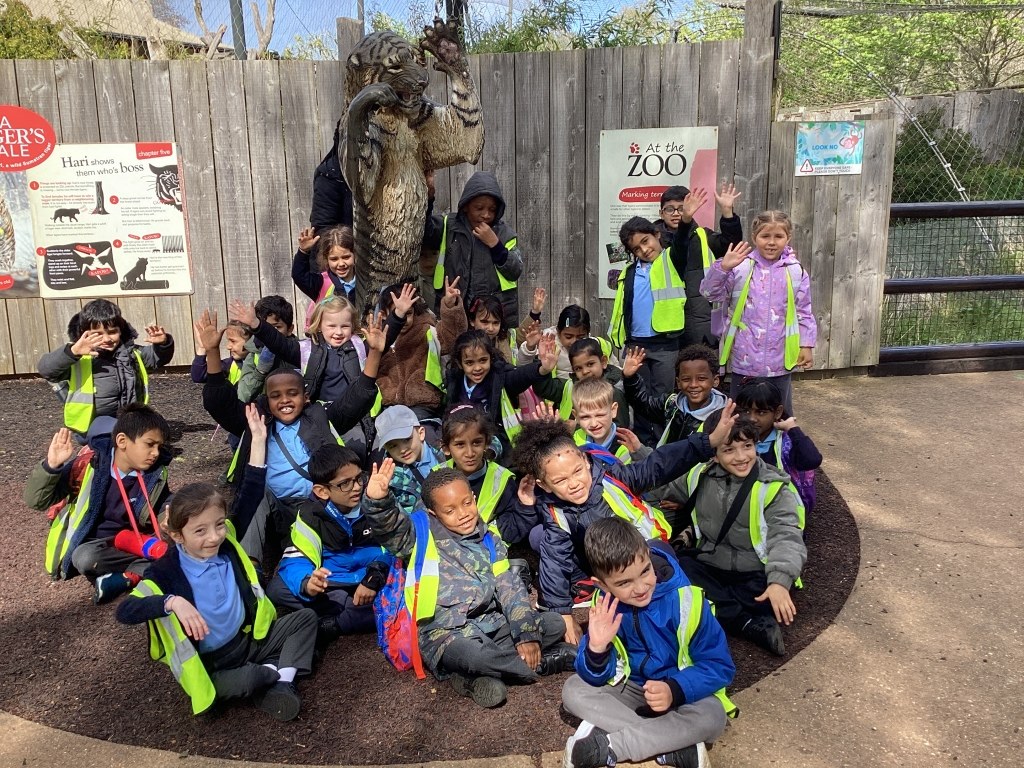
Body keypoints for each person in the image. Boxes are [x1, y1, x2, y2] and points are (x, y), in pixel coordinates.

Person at [510, 405, 735, 644]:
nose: (574, 483)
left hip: (646, 547)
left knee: (662, 574)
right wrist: (562, 614)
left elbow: (658, 464)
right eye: (560, 480)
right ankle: (590, 587)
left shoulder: (612, 477)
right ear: (544, 485)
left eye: (577, 471)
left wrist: (708, 442)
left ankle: (672, 612)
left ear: (586, 461)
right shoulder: (554, 509)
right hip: (606, 557)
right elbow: (554, 560)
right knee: (544, 538)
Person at [361, 461, 576, 708]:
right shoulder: (419, 537)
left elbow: (510, 589)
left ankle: (470, 678)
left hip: (492, 624)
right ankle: (540, 664)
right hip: (446, 634)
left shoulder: (490, 540)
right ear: (434, 513)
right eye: (450, 510)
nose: (463, 513)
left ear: (474, 498)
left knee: (554, 623)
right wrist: (378, 501)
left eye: (466, 503)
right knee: (476, 656)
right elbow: (391, 528)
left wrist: (526, 634)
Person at [197, 309, 385, 566]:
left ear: (305, 397)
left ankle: (325, 562)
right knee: (255, 493)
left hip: (315, 503)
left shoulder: (319, 416)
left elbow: (357, 398)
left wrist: (375, 353)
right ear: (266, 399)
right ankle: (250, 568)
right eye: (276, 396)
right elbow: (220, 402)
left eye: (292, 393)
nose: (284, 400)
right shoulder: (256, 419)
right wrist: (211, 352)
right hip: (274, 505)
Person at [115, 483, 318, 720]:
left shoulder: (226, 543)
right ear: (177, 535)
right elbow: (125, 611)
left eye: (219, 524)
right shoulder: (165, 571)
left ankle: (280, 682)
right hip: (214, 666)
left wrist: (257, 456)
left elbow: (249, 497)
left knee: (306, 619)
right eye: (200, 531)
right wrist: (172, 602)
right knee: (253, 677)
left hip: (249, 641)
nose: (214, 537)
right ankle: (274, 673)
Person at [561, 517, 736, 768]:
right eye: (624, 583)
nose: (641, 587)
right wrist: (597, 649)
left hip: (683, 692)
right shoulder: (604, 605)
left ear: (648, 556)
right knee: (573, 690)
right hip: (633, 689)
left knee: (713, 716)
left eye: (645, 571)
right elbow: (597, 676)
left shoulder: (686, 600)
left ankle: (613, 746)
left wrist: (674, 690)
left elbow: (720, 666)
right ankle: (673, 745)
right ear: (603, 586)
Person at [672, 410, 806, 657]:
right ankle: (746, 623)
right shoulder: (700, 475)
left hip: (755, 572)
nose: (742, 457)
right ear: (714, 453)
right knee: (676, 567)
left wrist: (779, 582)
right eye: (729, 449)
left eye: (747, 446)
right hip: (713, 565)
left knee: (761, 596)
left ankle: (721, 612)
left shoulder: (772, 487)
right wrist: (638, 453)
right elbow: (662, 482)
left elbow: (786, 536)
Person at [23, 404, 173, 604]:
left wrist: (168, 518)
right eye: (150, 444)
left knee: (182, 538)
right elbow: (36, 500)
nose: (155, 453)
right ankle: (149, 570)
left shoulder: (154, 473)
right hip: (98, 545)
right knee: (84, 558)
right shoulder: (90, 466)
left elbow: (163, 502)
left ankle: (127, 578)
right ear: (122, 441)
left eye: (159, 447)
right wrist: (51, 467)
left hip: (136, 540)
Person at [267, 443, 392, 641]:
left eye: (359, 478)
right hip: (334, 581)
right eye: (345, 483)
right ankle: (354, 608)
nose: (357, 487)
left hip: (373, 574)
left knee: (407, 588)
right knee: (276, 589)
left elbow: (394, 547)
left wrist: (374, 577)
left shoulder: (375, 498)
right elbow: (295, 559)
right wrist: (308, 583)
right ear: (322, 491)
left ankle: (337, 621)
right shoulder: (310, 515)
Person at [700, 210, 816, 415]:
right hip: (744, 359)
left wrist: (806, 345)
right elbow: (709, 293)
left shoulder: (795, 271)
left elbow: (803, 311)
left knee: (780, 416)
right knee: (740, 415)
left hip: (781, 360)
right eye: (765, 236)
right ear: (754, 238)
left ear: (788, 238)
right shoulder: (740, 267)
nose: (771, 242)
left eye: (778, 236)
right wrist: (723, 268)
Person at [38, 298, 174, 437]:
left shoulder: (131, 353)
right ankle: (97, 446)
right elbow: (46, 369)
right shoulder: (79, 358)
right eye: (98, 334)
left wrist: (163, 344)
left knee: (159, 430)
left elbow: (156, 358)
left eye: (112, 332)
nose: (107, 339)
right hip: (92, 424)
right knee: (121, 433)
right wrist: (72, 352)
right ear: (84, 333)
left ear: (121, 330)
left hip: (127, 417)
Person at [375, 278, 466, 441]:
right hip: (388, 408)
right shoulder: (376, 338)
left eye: (408, 313)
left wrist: (450, 306)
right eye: (398, 313)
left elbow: (453, 337)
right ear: (384, 314)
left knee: (425, 440)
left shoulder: (426, 331)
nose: (404, 319)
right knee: (382, 448)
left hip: (422, 405)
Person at [426, 170, 523, 322]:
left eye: (492, 209)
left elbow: (515, 270)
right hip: (454, 312)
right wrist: (429, 198)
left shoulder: (504, 234)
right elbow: (425, 234)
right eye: (479, 208)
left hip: (490, 319)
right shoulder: (448, 225)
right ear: (465, 206)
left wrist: (495, 244)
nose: (486, 215)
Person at [653, 184, 744, 347]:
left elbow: (731, 245)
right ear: (661, 213)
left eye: (682, 208)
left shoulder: (703, 236)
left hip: (699, 321)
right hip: (663, 325)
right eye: (670, 209)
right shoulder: (651, 242)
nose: (677, 213)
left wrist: (727, 213)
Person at [445, 329, 559, 458]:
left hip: (496, 440)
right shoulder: (454, 382)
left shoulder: (499, 379)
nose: (477, 368)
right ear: (460, 364)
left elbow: (521, 376)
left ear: (491, 358)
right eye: (469, 363)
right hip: (462, 439)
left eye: (483, 360)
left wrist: (543, 369)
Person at [439, 404, 527, 544]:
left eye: (476, 443)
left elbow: (511, 530)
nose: (470, 453)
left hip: (489, 550)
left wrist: (527, 506)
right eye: (460, 444)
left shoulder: (503, 480)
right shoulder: (436, 478)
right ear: (446, 448)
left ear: (487, 443)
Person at [734, 377, 820, 515]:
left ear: (778, 412)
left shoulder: (786, 443)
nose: (752, 419)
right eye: (746, 411)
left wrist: (792, 428)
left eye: (761, 412)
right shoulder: (734, 438)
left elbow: (812, 460)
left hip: (781, 511)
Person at [622, 344, 727, 447]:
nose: (693, 385)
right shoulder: (672, 404)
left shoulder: (722, 418)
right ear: (678, 382)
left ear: (715, 380)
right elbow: (642, 404)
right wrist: (630, 378)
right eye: (686, 379)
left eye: (701, 379)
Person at [532, 337, 629, 426]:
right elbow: (542, 388)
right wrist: (543, 368)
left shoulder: (614, 392)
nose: (585, 371)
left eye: (590, 364)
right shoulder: (570, 386)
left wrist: (577, 427)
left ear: (603, 361)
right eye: (578, 368)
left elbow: (619, 430)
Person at [374, 404, 447, 514]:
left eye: (406, 439)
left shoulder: (448, 451)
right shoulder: (390, 480)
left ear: (421, 433)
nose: (402, 450)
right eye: (393, 446)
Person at [520, 304, 615, 381]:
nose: (574, 341)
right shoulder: (547, 344)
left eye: (581, 337)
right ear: (558, 331)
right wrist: (530, 347)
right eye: (568, 337)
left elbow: (615, 372)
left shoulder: (599, 345)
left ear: (588, 333)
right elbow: (522, 370)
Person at [236, 295, 298, 404]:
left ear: (289, 329)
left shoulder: (302, 351)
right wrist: (260, 371)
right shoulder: (254, 355)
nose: (269, 333)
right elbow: (243, 396)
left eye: (276, 327)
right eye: (264, 327)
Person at [292, 225, 357, 330]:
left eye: (346, 257)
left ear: (355, 255)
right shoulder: (321, 282)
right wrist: (303, 252)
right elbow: (299, 276)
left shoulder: (364, 283)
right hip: (327, 338)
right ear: (327, 259)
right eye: (334, 259)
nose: (341, 264)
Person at [568, 378, 643, 465]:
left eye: (600, 415)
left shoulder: (624, 447)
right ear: (576, 416)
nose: (594, 424)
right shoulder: (573, 440)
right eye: (585, 417)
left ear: (613, 410)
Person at [190, 320, 251, 387]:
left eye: (233, 341)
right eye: (228, 341)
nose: (228, 347)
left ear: (252, 340)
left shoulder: (260, 364)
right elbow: (199, 377)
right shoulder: (230, 364)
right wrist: (203, 347)